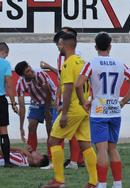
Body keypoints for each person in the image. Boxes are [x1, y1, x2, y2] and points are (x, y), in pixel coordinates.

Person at [75, 32, 130, 188]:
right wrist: (123, 102)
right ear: (110, 46)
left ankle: (102, 184)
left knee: (102, 149)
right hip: (114, 110)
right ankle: (118, 184)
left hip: (98, 111)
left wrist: (83, 101)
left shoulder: (91, 63)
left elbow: (78, 85)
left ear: (95, 47)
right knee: (112, 148)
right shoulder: (120, 64)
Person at [42, 33, 98, 188]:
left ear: (64, 45)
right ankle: (94, 182)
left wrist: (64, 112)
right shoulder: (82, 62)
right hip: (84, 108)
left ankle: (59, 180)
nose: (58, 48)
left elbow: (67, 90)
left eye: (59, 45)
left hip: (73, 109)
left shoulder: (68, 63)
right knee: (85, 144)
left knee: (53, 140)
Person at [40, 27, 84, 169]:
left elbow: (70, 84)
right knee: (82, 139)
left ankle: (59, 170)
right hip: (78, 104)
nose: (59, 43)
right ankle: (90, 176)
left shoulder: (72, 58)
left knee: (54, 137)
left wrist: (64, 109)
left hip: (72, 104)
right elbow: (63, 79)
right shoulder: (74, 59)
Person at [15, 61, 57, 157]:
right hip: (36, 102)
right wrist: (21, 127)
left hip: (51, 100)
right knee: (31, 126)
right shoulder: (20, 84)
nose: (30, 72)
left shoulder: (40, 74)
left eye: (30, 69)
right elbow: (22, 107)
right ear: (22, 76)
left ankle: (51, 155)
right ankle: (31, 154)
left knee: (50, 128)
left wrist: (47, 111)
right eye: (27, 72)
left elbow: (49, 94)